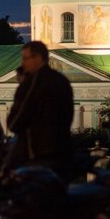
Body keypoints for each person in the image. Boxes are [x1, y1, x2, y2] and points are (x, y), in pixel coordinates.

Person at [7, 41, 74, 181]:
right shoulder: (62, 80)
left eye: (26, 58)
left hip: (36, 155)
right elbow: (68, 116)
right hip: (62, 153)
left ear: (38, 58)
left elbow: (15, 122)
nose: (23, 63)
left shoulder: (31, 83)